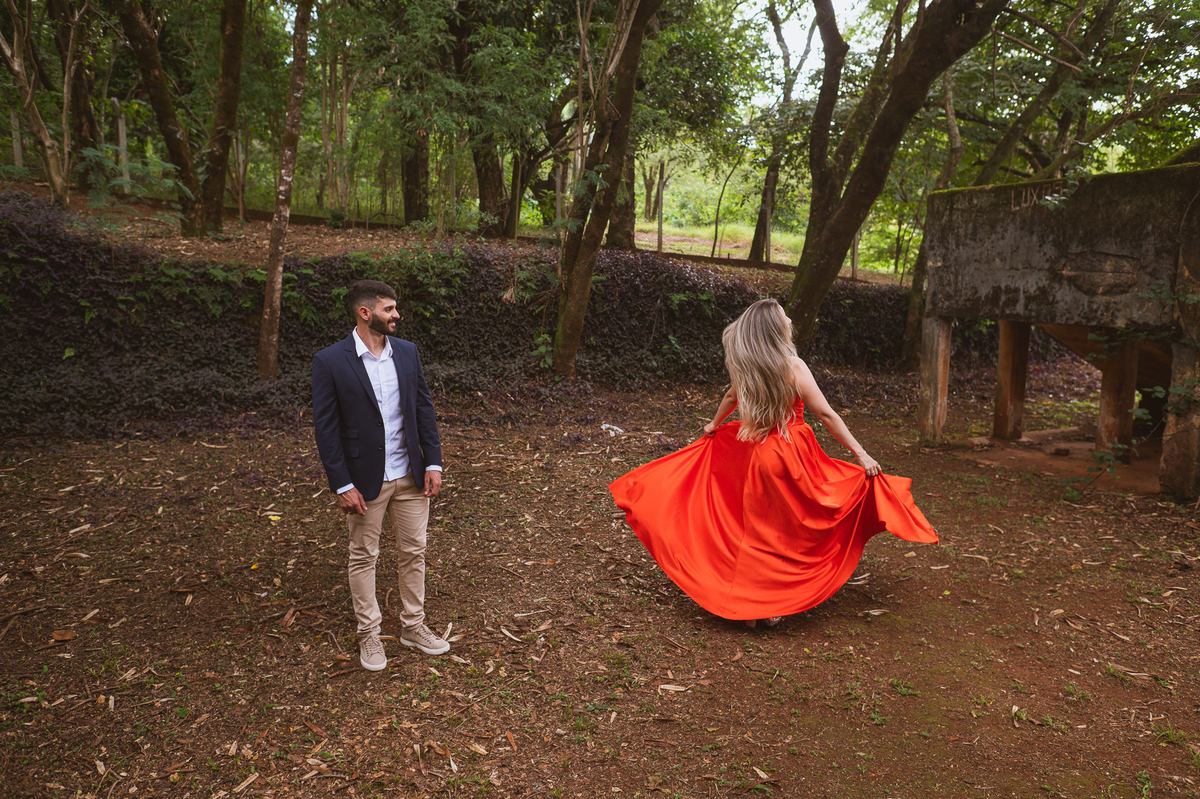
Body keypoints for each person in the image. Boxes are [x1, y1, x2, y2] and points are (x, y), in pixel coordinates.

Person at [609, 298, 937, 626]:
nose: (790, 318)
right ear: (776, 328)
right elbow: (825, 413)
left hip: (758, 454)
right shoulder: (793, 366)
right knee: (794, 525)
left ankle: (753, 605)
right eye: (784, 316)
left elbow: (730, 397)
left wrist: (714, 424)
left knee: (758, 529)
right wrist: (860, 453)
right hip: (793, 453)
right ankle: (776, 600)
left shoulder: (746, 365)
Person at [312, 279, 448, 671]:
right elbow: (326, 428)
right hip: (363, 480)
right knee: (363, 556)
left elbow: (423, 409)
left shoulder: (407, 352)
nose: (396, 315)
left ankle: (413, 626)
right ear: (364, 312)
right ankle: (369, 634)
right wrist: (342, 483)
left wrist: (434, 462)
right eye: (389, 309)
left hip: (410, 474)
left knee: (414, 551)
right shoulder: (330, 361)